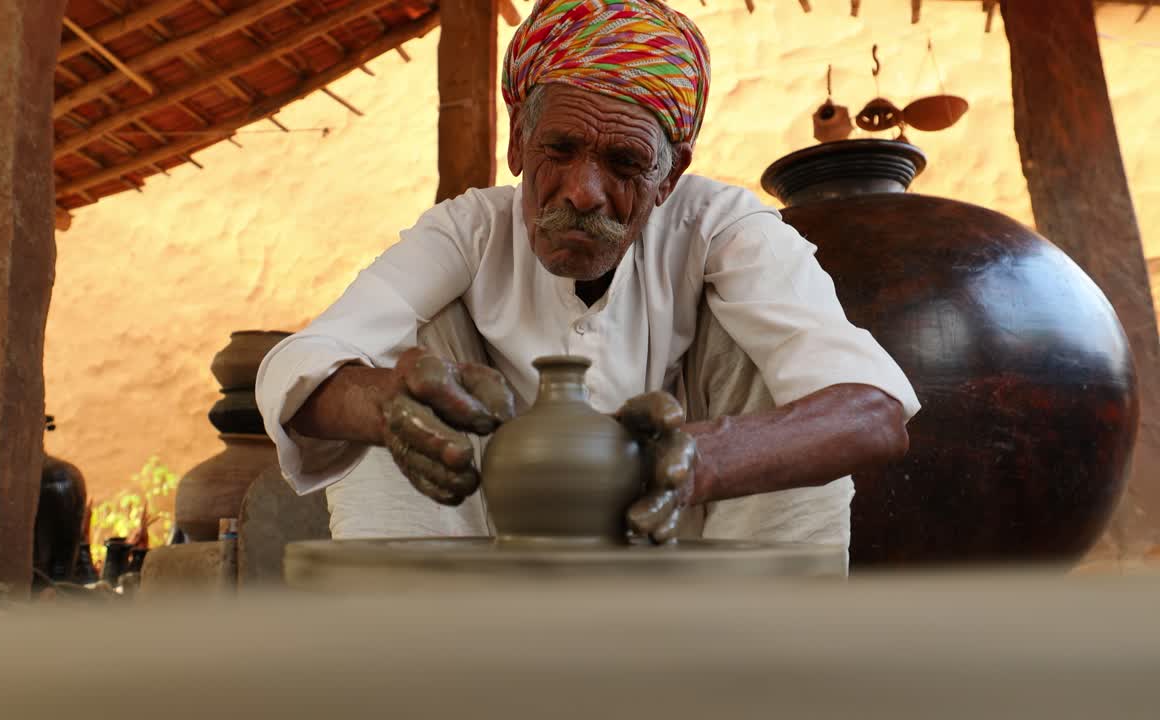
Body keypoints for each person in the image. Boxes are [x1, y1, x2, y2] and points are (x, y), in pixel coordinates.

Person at [256, 0, 920, 552]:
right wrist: (386, 405)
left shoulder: (721, 227)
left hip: (688, 562)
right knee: (397, 366)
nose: (583, 192)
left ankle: (765, 653)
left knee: (785, 379)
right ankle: (416, 642)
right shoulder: (470, 230)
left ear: (670, 175)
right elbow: (300, 364)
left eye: (625, 163)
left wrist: (701, 460)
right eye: (560, 149)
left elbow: (872, 411)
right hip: (494, 560)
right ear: (518, 142)